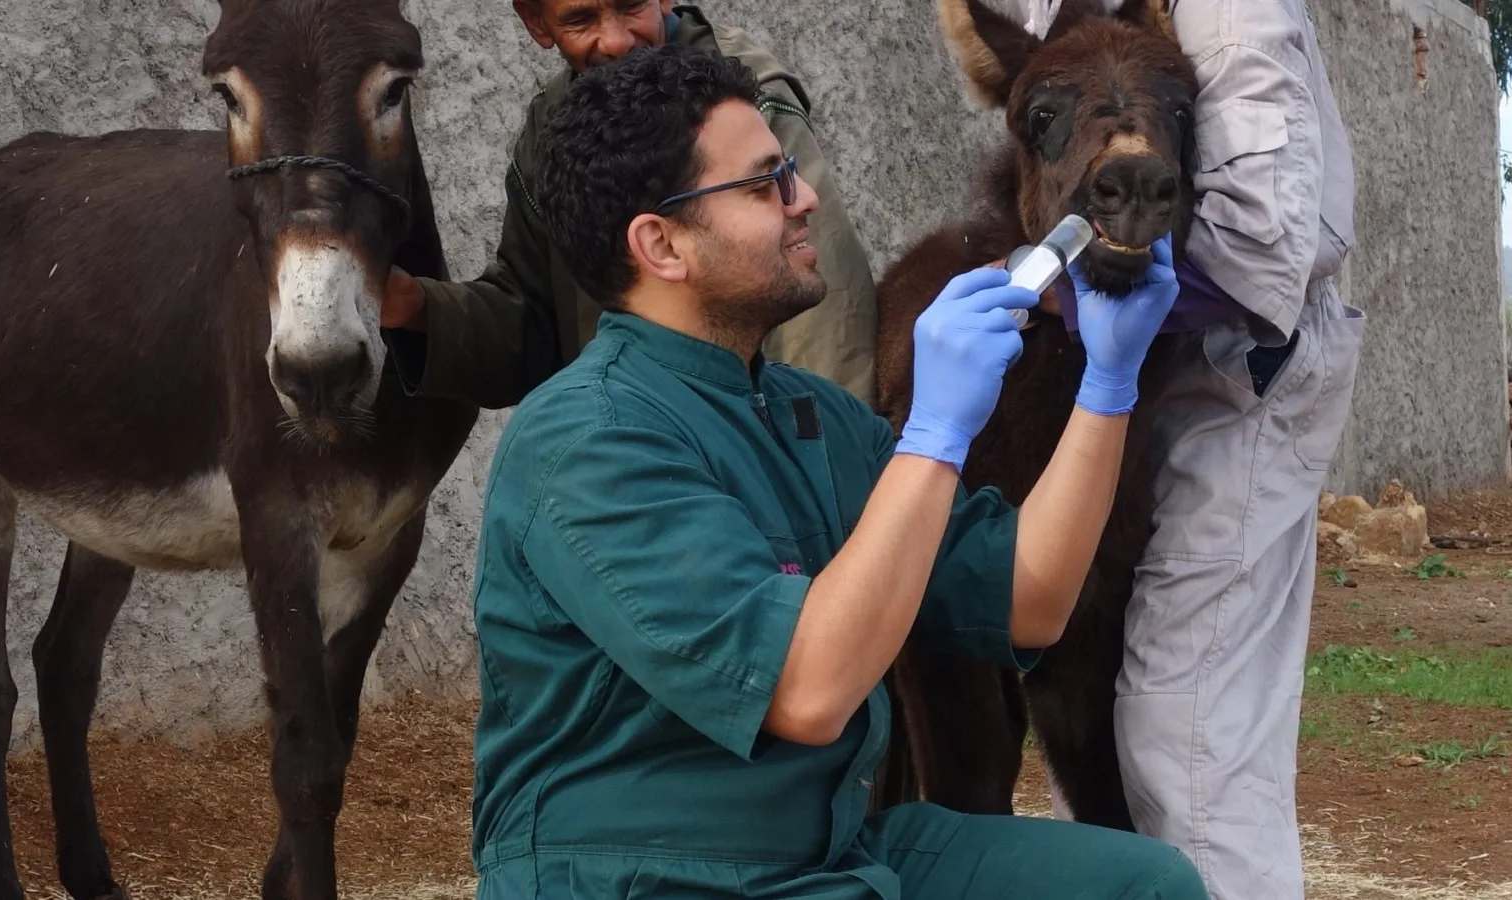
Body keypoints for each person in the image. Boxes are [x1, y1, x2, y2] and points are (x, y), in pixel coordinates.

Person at [465, 42, 1209, 899]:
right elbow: (808, 690)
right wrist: (933, 434)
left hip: (825, 853)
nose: (806, 198)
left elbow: (1031, 599)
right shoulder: (588, 440)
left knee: (1142, 886)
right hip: (644, 876)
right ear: (660, 245)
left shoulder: (802, 416)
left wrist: (1108, 385)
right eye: (765, 184)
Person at [996, 2, 1367, 898]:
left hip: (1236, 376)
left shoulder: (1231, 15)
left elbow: (1264, 244)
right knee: (1094, 709)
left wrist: (1063, 297)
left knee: (1185, 721)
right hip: (1141, 377)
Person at [376, 0, 879, 408]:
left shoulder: (742, 101)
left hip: (758, 441)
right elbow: (531, 325)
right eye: (580, 19)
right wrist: (416, 307)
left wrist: (828, 474)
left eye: (630, 5)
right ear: (536, 22)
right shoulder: (552, 128)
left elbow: (826, 317)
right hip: (643, 441)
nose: (615, 41)